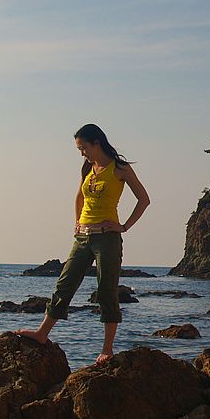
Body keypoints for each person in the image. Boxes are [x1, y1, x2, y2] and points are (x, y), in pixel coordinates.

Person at [15, 124, 150, 364]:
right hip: (82, 237)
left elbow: (144, 199)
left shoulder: (120, 169)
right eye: (79, 149)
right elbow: (79, 196)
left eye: (84, 148)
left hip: (107, 239)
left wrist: (124, 226)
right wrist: (77, 222)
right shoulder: (88, 167)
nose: (82, 153)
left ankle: (107, 349)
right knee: (64, 285)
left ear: (96, 143)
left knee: (107, 291)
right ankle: (42, 333)